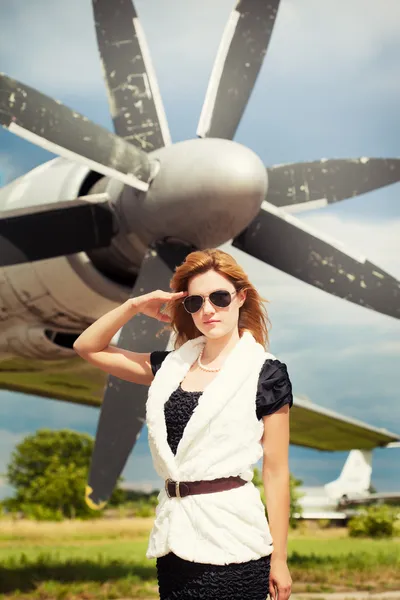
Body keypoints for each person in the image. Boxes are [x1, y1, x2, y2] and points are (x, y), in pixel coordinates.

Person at [73, 248, 293, 600]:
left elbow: (276, 471)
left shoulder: (266, 373)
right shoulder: (170, 367)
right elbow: (88, 347)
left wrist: (279, 558)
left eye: (219, 298)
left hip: (234, 537)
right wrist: (133, 306)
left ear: (240, 297)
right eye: (195, 302)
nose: (207, 310)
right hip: (174, 538)